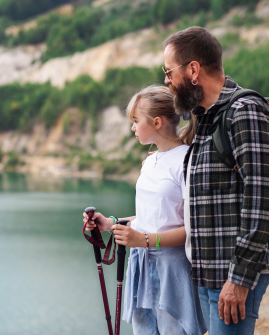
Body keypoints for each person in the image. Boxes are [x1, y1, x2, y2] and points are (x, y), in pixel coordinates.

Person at [162, 26, 269, 335]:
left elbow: (262, 200)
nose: (167, 81)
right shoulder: (208, 118)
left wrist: (239, 279)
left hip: (234, 275)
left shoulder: (245, 112)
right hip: (209, 272)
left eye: (169, 72)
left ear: (193, 70)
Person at [83, 85, 207, 335]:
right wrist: (110, 223)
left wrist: (145, 240)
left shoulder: (188, 161)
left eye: (136, 121)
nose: (133, 128)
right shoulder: (150, 161)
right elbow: (152, 217)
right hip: (142, 265)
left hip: (172, 269)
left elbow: (195, 227)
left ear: (157, 122)